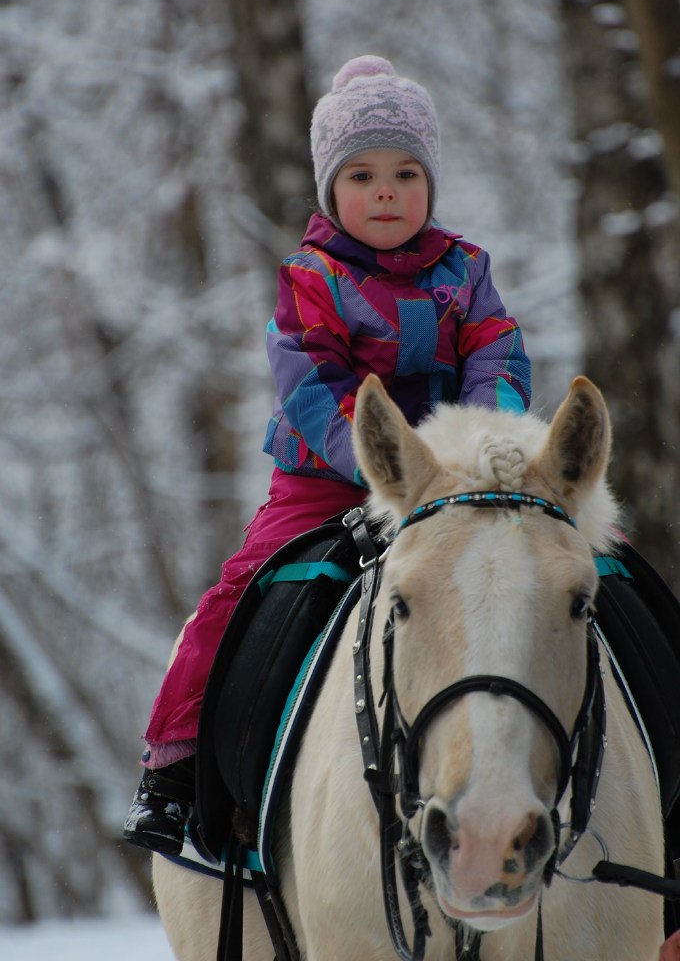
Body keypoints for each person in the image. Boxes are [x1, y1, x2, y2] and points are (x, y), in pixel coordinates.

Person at [123, 54, 532, 855]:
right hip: (328, 477)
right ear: (330, 191)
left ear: (431, 184)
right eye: (364, 174)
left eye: (407, 172)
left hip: (456, 475)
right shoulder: (312, 279)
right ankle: (172, 765)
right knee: (240, 596)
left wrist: (481, 441)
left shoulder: (468, 272)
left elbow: (499, 354)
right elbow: (311, 380)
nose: (387, 191)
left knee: (589, 560)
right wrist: (378, 463)